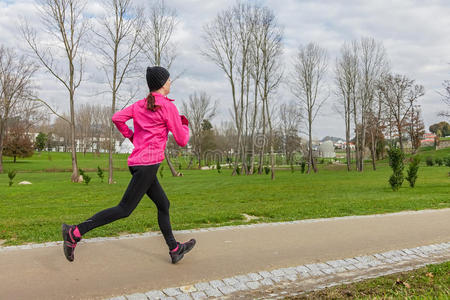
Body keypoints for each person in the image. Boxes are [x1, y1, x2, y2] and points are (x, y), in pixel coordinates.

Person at [62, 66, 196, 264]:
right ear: (162, 84)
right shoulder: (167, 107)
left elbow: (117, 118)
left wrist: (133, 137)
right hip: (148, 165)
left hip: (138, 164)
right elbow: (183, 140)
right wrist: (184, 124)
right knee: (124, 209)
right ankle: (75, 232)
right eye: (168, 80)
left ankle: (174, 249)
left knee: (163, 204)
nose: (170, 83)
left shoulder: (140, 104)